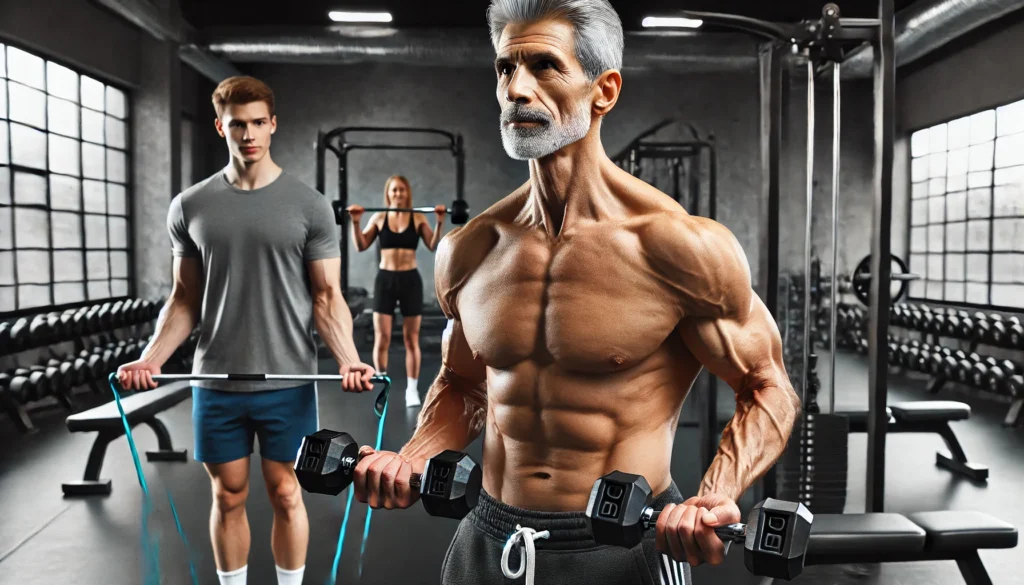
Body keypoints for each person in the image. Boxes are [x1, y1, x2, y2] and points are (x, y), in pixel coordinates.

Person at [351, 2, 801, 585]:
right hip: (486, 540)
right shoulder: (471, 249)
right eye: (504, 69)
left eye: (543, 66)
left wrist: (711, 496)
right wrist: (409, 457)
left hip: (623, 548)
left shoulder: (676, 246)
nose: (516, 89)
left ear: (603, 90)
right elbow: (464, 383)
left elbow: (769, 387)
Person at [116, 75, 375, 585]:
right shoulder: (189, 205)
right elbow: (184, 299)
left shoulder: (310, 206)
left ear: (273, 125)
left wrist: (347, 357)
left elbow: (327, 297)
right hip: (216, 379)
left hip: (290, 380)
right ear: (221, 127)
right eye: (239, 124)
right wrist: (151, 358)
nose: (250, 134)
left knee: (286, 491)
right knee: (227, 494)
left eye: (259, 123)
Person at [346, 176, 447, 407]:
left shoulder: (418, 217)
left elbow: (433, 246)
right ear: (388, 193)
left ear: (407, 193)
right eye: (394, 190)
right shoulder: (379, 218)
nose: (398, 194)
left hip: (410, 280)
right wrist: (355, 222)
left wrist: (440, 221)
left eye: (402, 190)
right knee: (382, 337)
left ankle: (412, 390)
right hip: (385, 280)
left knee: (412, 338)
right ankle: (382, 385)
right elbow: (361, 245)